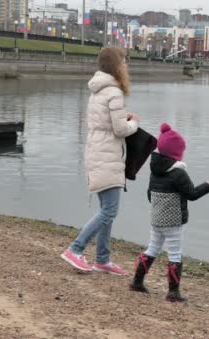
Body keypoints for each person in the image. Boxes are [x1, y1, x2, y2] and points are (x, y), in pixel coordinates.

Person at [61, 48, 140, 275]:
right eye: (124, 62)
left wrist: (122, 120)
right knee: (109, 211)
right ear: (117, 65)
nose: (126, 66)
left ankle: (102, 259)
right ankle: (75, 249)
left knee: (107, 209)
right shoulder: (114, 92)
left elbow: (102, 123)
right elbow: (120, 129)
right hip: (107, 155)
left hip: (96, 151)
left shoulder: (97, 91)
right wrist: (133, 123)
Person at [129, 123, 209, 302]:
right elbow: (192, 194)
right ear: (176, 153)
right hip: (174, 221)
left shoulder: (154, 171)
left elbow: (149, 194)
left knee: (152, 248)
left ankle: (137, 282)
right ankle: (173, 292)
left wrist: (159, 209)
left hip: (156, 219)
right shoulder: (178, 173)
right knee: (175, 254)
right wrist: (207, 185)